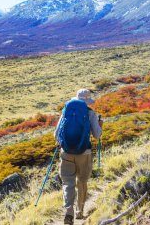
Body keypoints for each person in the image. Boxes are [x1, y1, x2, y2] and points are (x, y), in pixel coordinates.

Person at [54, 89, 103, 225]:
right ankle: (79, 212)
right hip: (84, 153)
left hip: (66, 153)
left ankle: (68, 211)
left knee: (67, 182)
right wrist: (100, 125)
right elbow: (97, 135)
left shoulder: (66, 111)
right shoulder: (91, 113)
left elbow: (56, 135)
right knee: (81, 182)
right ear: (87, 101)